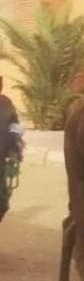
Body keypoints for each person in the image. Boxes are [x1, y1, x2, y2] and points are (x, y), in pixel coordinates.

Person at [0, 76, 22, 222]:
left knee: (2, 200)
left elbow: (15, 126)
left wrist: (16, 146)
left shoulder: (6, 103)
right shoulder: (6, 103)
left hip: (2, 156)